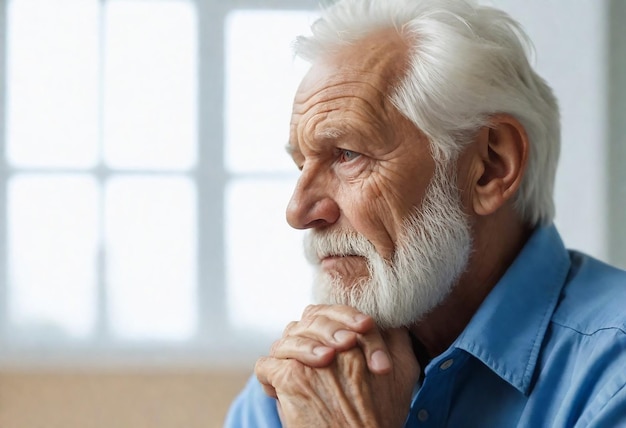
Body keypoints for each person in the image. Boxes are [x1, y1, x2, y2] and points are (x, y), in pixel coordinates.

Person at [226, 0, 626, 426]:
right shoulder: (299, 383)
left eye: (347, 154)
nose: (299, 211)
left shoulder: (612, 374)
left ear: (490, 167)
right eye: (302, 164)